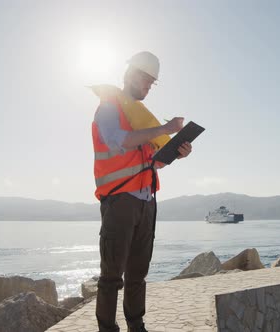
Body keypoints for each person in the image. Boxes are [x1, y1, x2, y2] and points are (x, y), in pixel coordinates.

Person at [90, 51, 192, 332]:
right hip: (119, 201)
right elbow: (117, 141)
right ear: (129, 74)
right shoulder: (110, 107)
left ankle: (137, 326)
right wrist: (166, 128)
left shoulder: (140, 117)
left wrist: (176, 153)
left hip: (146, 202)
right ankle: (107, 329)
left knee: (138, 273)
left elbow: (151, 162)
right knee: (111, 275)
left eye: (152, 82)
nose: (148, 85)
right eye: (145, 79)